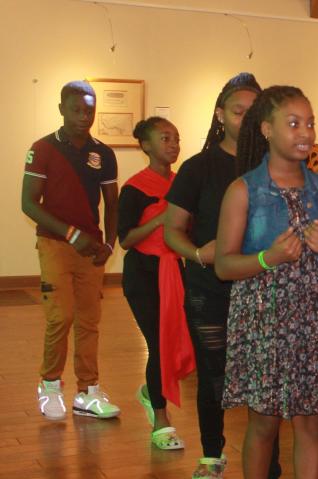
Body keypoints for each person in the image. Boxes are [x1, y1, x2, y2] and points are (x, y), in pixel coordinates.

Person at [216, 85, 318, 479]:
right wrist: (268, 258)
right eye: (293, 123)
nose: (305, 132)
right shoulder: (243, 189)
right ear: (267, 129)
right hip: (262, 315)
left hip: (310, 312)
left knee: (312, 424)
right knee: (264, 423)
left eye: (310, 123)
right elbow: (224, 265)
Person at [164, 74, 291, 479]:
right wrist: (199, 254)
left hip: (263, 291)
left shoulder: (274, 167)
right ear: (220, 115)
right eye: (239, 111)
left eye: (256, 112)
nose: (248, 119)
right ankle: (212, 454)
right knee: (214, 374)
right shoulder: (198, 168)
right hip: (209, 288)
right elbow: (172, 231)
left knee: (266, 383)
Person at [23, 80, 120, 421]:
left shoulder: (104, 154)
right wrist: (69, 233)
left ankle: (88, 392)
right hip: (55, 243)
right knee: (60, 316)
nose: (83, 116)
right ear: (61, 108)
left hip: (91, 249)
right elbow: (28, 203)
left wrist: (110, 242)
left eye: (89, 110)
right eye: (76, 109)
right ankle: (49, 385)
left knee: (89, 322)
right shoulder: (43, 148)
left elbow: (112, 204)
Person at [118, 117, 193, 450]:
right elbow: (125, 239)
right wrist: (161, 219)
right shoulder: (134, 188)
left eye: (176, 138)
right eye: (165, 138)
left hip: (177, 272)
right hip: (143, 275)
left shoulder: (184, 184)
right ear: (146, 145)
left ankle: (151, 391)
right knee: (159, 342)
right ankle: (161, 419)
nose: (173, 144)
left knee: (180, 340)